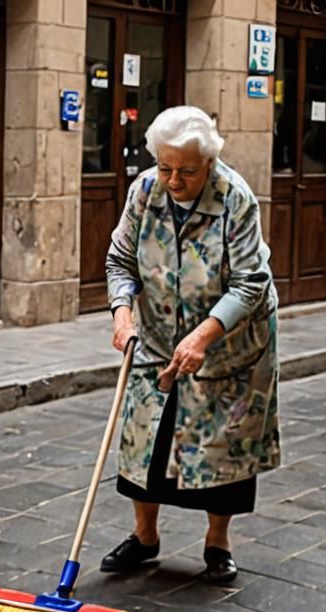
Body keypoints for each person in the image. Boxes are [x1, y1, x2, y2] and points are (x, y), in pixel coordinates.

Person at [102, 106, 280, 586]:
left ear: (208, 165)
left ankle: (218, 542)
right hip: (158, 332)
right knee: (147, 439)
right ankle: (145, 537)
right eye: (165, 167)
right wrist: (122, 314)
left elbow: (249, 282)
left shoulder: (235, 199)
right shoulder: (144, 191)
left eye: (186, 171)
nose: (173, 180)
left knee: (221, 446)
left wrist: (203, 335)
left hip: (228, 339)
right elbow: (120, 260)